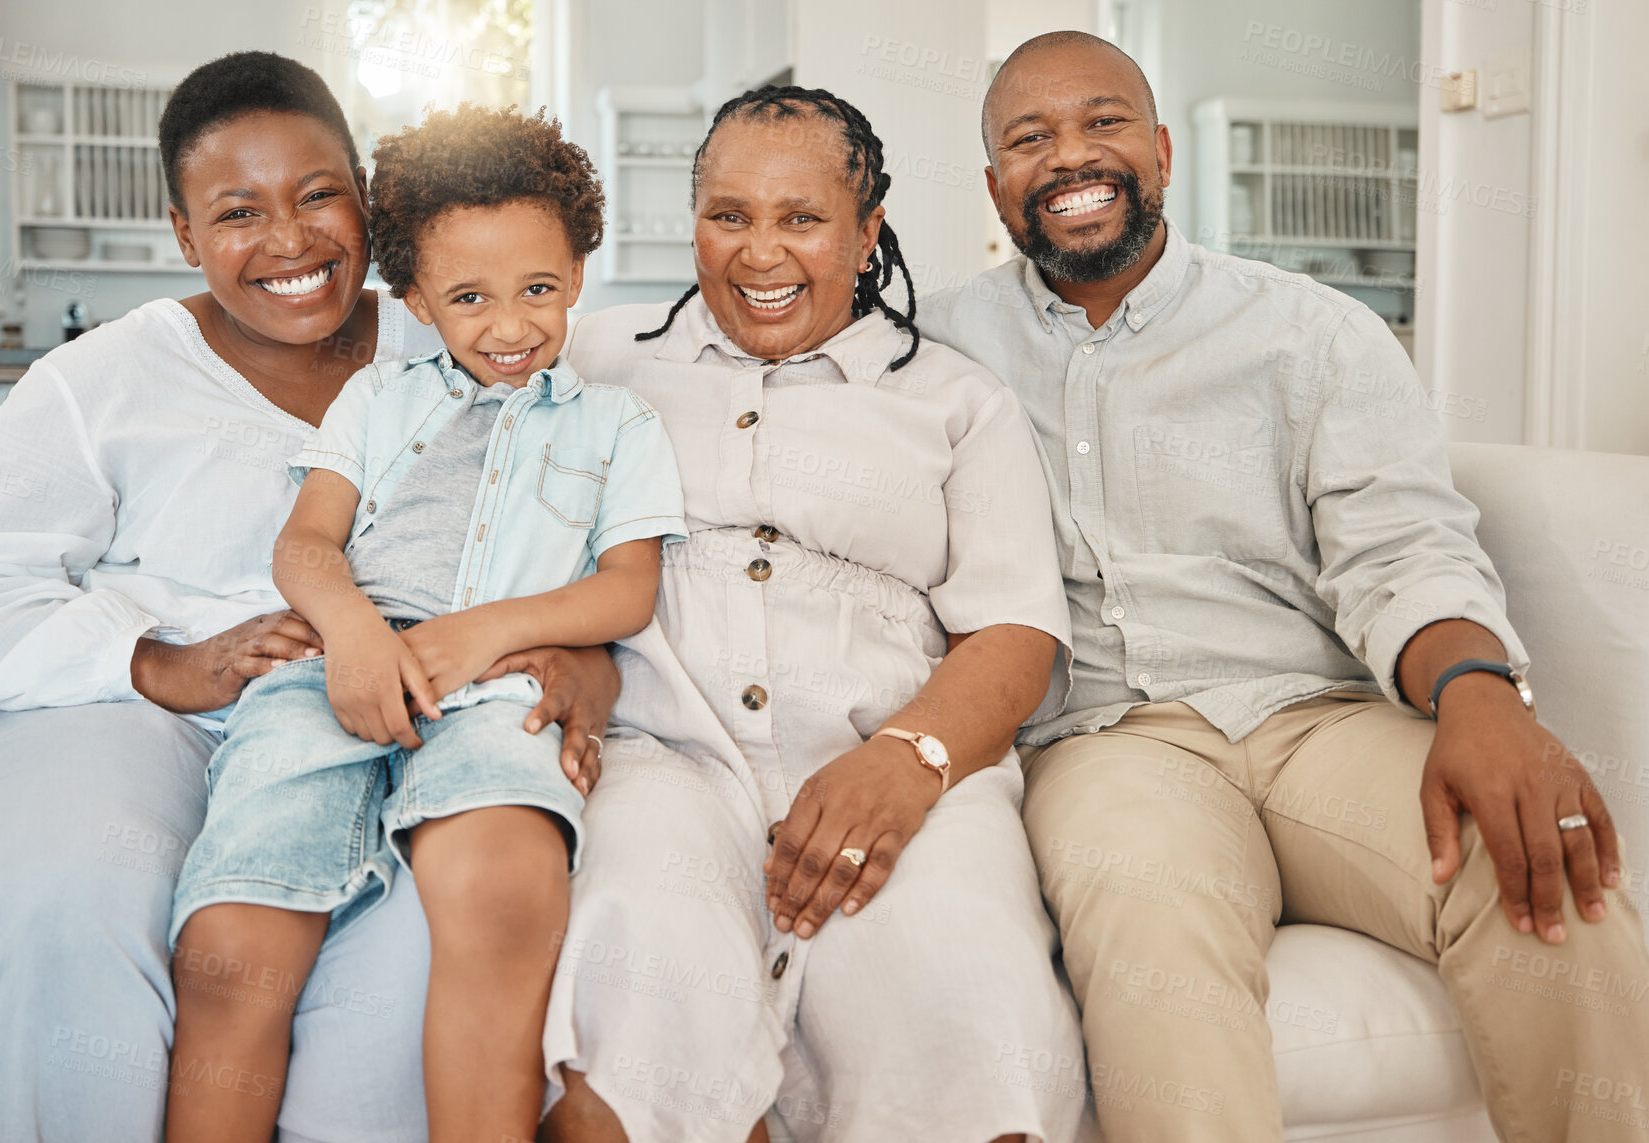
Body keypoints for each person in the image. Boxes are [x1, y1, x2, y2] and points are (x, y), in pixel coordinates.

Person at [919, 30, 1649, 1143]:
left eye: (1103, 123)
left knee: (1541, 866)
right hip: (1109, 743)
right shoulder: (939, 351)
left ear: (1160, 150)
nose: (1071, 157)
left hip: (1317, 715)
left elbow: (1401, 546)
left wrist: (1481, 694)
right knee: (1150, 938)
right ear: (995, 185)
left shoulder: (1310, 334)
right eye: (1031, 138)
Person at [0, 54, 616, 1143]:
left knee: (413, 969)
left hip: (384, 723)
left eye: (319, 195)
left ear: (367, 204)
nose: (288, 241)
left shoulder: (471, 336)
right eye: (239, 212)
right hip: (126, 717)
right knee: (63, 907)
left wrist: (582, 660)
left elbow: (579, 538)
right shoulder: (105, 378)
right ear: (186, 235)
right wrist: (156, 662)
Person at [540, 85, 1090, 1143]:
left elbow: (1014, 633)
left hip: (900, 759)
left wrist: (906, 759)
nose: (760, 254)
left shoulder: (955, 402)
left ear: (866, 230)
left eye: (802, 219)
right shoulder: (596, 361)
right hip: (664, 754)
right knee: (634, 969)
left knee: (966, 993)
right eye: (729, 215)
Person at [164, 104, 685, 1143]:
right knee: (233, 937)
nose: (510, 325)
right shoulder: (375, 398)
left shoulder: (616, 424)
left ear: (579, 273)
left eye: (539, 288)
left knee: (503, 889)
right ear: (413, 301)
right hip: (335, 669)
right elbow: (306, 546)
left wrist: (484, 635)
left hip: (497, 691)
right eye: (468, 298)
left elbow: (627, 586)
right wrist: (355, 635)